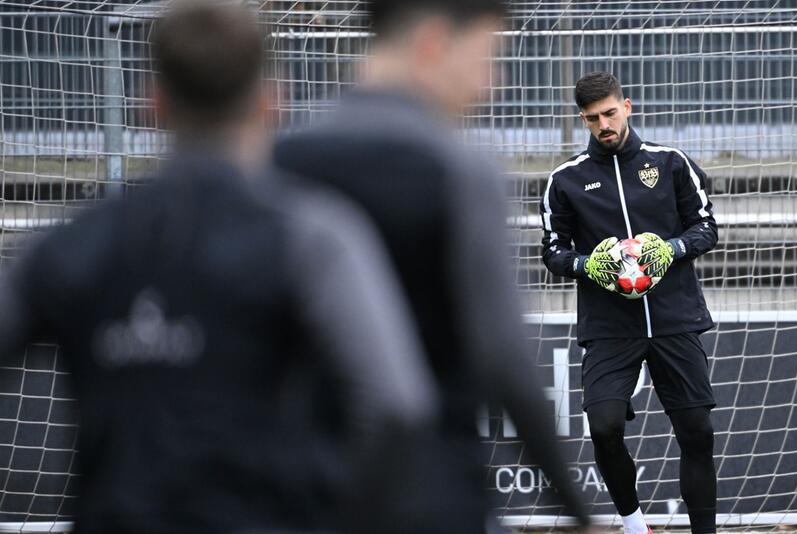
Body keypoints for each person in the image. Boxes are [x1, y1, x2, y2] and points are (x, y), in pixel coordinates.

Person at [0, 3, 436, 533]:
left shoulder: (72, 242)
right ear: (271, 101)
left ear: (151, 102)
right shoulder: (313, 238)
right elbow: (396, 405)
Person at [274, 0, 591, 532]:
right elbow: (503, 361)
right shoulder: (458, 172)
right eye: (490, 56)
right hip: (431, 494)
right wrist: (578, 509)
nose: (494, 83)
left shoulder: (279, 165)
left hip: (300, 496)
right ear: (434, 43)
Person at [539, 71, 719, 534]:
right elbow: (553, 251)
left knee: (696, 432)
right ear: (583, 119)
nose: (604, 124)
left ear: (627, 106)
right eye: (593, 118)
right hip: (609, 323)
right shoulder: (565, 179)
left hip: (675, 317)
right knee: (604, 426)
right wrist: (588, 265)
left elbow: (705, 229)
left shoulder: (672, 163)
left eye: (610, 113)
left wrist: (670, 250)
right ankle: (635, 525)